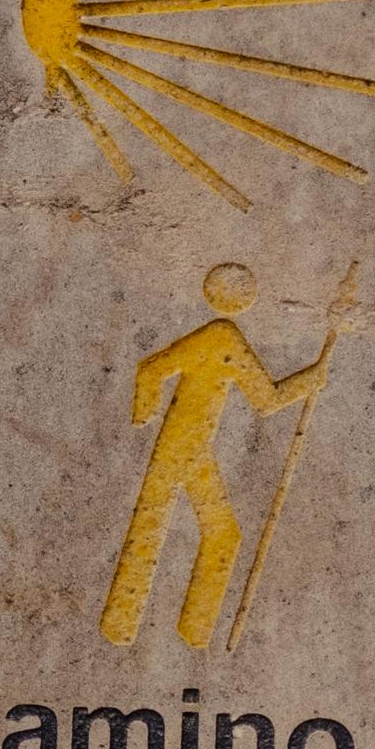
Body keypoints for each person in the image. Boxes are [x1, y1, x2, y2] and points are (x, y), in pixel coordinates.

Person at [100, 263, 327, 650]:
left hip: (188, 445)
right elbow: (151, 369)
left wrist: (311, 380)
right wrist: (142, 416)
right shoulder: (220, 336)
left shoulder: (225, 338)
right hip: (181, 444)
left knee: (174, 529)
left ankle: (166, 630)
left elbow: (264, 399)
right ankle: (167, 631)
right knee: (178, 530)